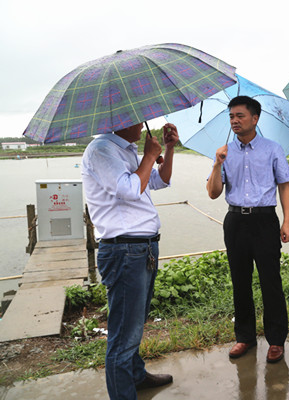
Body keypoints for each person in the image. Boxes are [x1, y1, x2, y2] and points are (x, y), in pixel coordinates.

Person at [81, 121, 179, 399]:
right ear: (120, 121)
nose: (142, 120)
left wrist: (168, 149)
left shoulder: (126, 150)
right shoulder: (102, 150)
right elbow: (128, 189)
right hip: (124, 250)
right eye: (136, 116)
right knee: (124, 334)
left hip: (142, 248)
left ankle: (136, 375)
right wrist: (149, 156)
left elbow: (159, 181)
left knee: (135, 323)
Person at [207, 95, 289, 364]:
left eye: (240, 116)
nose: (234, 121)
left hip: (265, 221)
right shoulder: (224, 152)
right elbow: (213, 193)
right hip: (235, 222)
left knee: (271, 281)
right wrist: (217, 163)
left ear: (255, 119)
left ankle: (276, 340)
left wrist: (287, 221)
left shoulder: (273, 149)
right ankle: (244, 337)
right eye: (231, 117)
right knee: (240, 281)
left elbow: (284, 186)